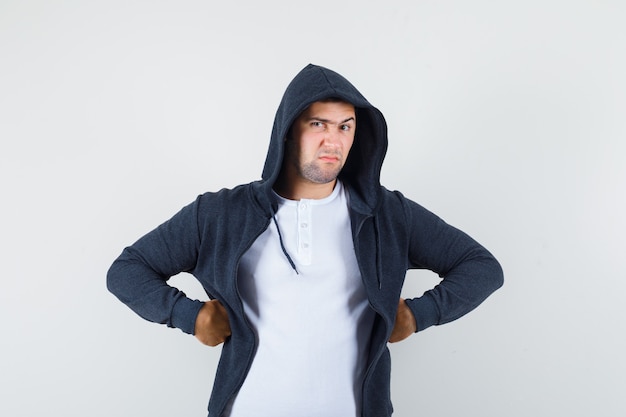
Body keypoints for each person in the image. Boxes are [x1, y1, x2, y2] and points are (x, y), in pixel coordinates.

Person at [107, 63, 504, 417]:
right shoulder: (221, 213)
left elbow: (481, 267)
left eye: (344, 126)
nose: (333, 141)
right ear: (288, 131)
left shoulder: (386, 213)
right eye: (318, 124)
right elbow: (127, 271)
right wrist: (188, 316)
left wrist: (421, 314)